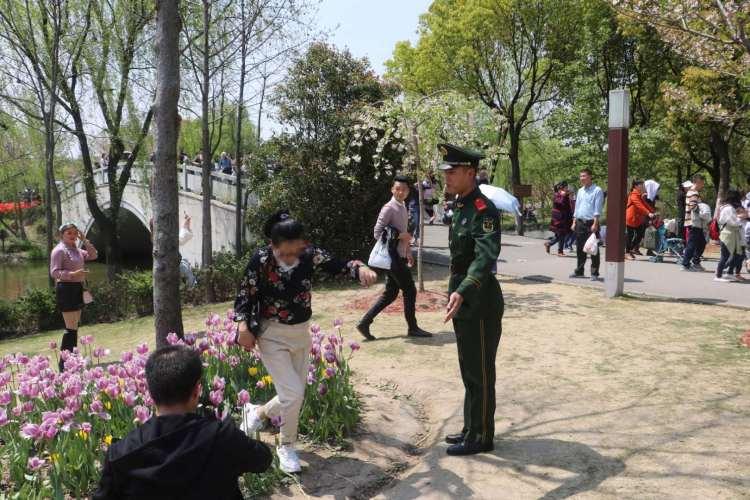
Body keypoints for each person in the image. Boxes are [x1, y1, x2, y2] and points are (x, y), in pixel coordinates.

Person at [234, 211, 377, 472]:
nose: (291, 258)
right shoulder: (261, 260)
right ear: (273, 246)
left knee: (293, 396)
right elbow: (245, 294)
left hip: (300, 333)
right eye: (284, 253)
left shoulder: (309, 254)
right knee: (293, 393)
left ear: (302, 244)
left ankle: (257, 413)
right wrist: (243, 325)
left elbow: (340, 265)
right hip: (271, 333)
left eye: (295, 251)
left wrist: (361, 269)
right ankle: (286, 446)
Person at [93, 346, 272, 500]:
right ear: (197, 390)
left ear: (150, 392)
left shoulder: (121, 454)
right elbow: (263, 460)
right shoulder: (222, 437)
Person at [438, 143, 503, 456]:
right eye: (446, 171)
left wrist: (463, 289)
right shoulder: (462, 205)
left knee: (480, 371)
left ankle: (482, 437)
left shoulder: (483, 209)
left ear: (469, 173)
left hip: (478, 300)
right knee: (468, 368)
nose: (446, 177)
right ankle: (470, 426)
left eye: (452, 171)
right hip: (462, 298)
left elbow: (485, 255)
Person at [357, 176, 433, 341]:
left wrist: (408, 252)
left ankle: (364, 322)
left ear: (407, 192)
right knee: (410, 290)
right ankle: (412, 328)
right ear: (392, 189)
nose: (400, 192)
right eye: (397, 188)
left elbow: (404, 236)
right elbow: (377, 233)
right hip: (391, 259)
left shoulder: (402, 206)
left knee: (391, 293)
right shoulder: (389, 208)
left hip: (398, 256)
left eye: (403, 190)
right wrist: (399, 235)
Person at [49, 223, 97, 371]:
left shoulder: (76, 249)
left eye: (75, 233)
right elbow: (54, 272)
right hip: (66, 290)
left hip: (77, 288)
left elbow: (94, 255)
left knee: (74, 326)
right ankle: (64, 364)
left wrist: (85, 240)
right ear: (61, 235)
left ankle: (73, 360)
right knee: (70, 328)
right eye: (69, 233)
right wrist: (73, 275)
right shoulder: (59, 251)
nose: (73, 235)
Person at [569, 168, 604, 281]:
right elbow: (577, 207)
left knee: (593, 248)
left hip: (591, 223)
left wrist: (595, 223)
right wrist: (574, 221)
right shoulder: (580, 191)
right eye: (581, 176)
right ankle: (579, 271)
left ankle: (594, 273)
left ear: (590, 177)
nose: (582, 178)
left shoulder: (597, 190)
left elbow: (597, 209)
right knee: (580, 248)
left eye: (584, 176)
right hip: (580, 222)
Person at [715, 190, 747, 282]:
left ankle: (729, 273)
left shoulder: (726, 207)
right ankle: (718, 275)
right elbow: (733, 222)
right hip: (727, 234)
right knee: (725, 255)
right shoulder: (728, 208)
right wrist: (740, 219)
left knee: (736, 254)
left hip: (731, 234)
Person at [681, 174, 711, 271]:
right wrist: (703, 213)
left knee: (701, 242)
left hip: (693, 222)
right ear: (698, 182)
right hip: (694, 222)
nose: (702, 185)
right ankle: (686, 264)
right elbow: (693, 206)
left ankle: (695, 262)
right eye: (702, 183)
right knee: (692, 244)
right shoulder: (694, 192)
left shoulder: (691, 192)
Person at [625, 179, 655, 259]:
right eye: (641, 185)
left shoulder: (639, 194)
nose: (643, 187)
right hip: (631, 218)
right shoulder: (633, 194)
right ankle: (627, 252)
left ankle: (630, 250)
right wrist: (648, 213)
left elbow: (644, 204)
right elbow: (639, 205)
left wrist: (652, 211)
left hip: (637, 219)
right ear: (636, 186)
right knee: (630, 235)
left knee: (640, 234)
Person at [544, 181, 574, 256]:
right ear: (561, 188)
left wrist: (570, 195)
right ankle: (558, 250)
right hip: (558, 218)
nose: (567, 188)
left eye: (567, 187)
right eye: (565, 187)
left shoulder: (566, 195)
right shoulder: (556, 195)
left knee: (561, 234)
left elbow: (569, 205)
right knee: (561, 234)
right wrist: (564, 195)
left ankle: (550, 244)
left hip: (565, 218)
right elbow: (559, 203)